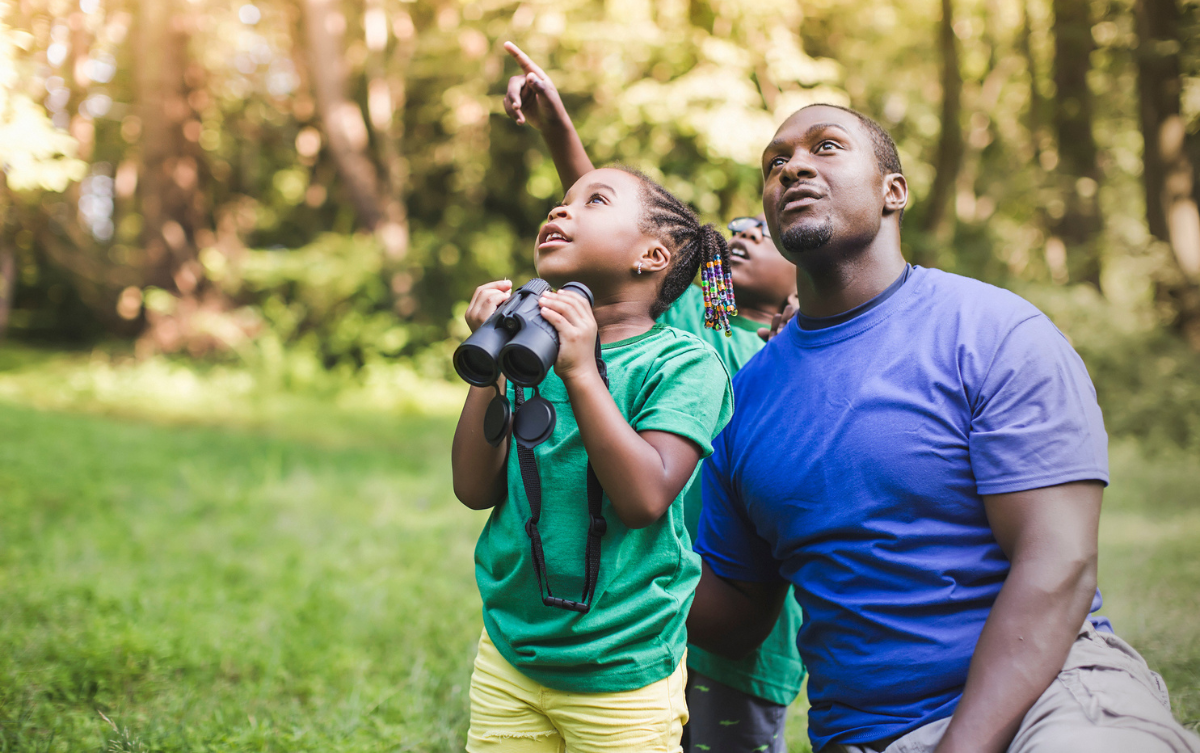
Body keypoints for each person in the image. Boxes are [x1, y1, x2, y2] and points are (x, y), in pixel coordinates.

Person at [687, 102, 1200, 753]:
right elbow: (736, 616)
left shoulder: (992, 333)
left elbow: (1058, 563)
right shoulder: (746, 400)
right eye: (776, 163)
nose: (793, 169)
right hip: (868, 736)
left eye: (827, 147)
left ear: (892, 191)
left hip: (1053, 698)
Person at [503, 41, 806, 753]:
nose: (743, 230)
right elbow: (620, 244)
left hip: (743, 626)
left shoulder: (799, 356)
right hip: (649, 598)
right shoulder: (699, 321)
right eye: (739, 226)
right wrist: (559, 132)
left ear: (806, 278)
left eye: (766, 232)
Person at [452, 164, 735, 752]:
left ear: (652, 256)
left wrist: (581, 371)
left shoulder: (683, 365)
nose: (561, 210)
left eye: (595, 200)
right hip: (513, 651)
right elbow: (474, 489)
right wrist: (487, 368)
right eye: (561, 200)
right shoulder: (529, 348)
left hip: (622, 666)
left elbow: (643, 498)